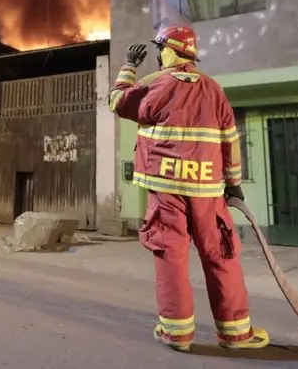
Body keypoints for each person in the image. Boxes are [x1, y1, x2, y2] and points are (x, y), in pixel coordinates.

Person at [108, 24, 269, 352]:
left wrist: (128, 66)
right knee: (222, 256)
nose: (158, 55)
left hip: (167, 191)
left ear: (170, 51)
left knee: (171, 256)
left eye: (160, 49)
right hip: (208, 191)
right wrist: (234, 185)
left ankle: (177, 334)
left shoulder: (156, 86)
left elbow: (117, 102)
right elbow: (230, 140)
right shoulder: (214, 90)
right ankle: (236, 334)